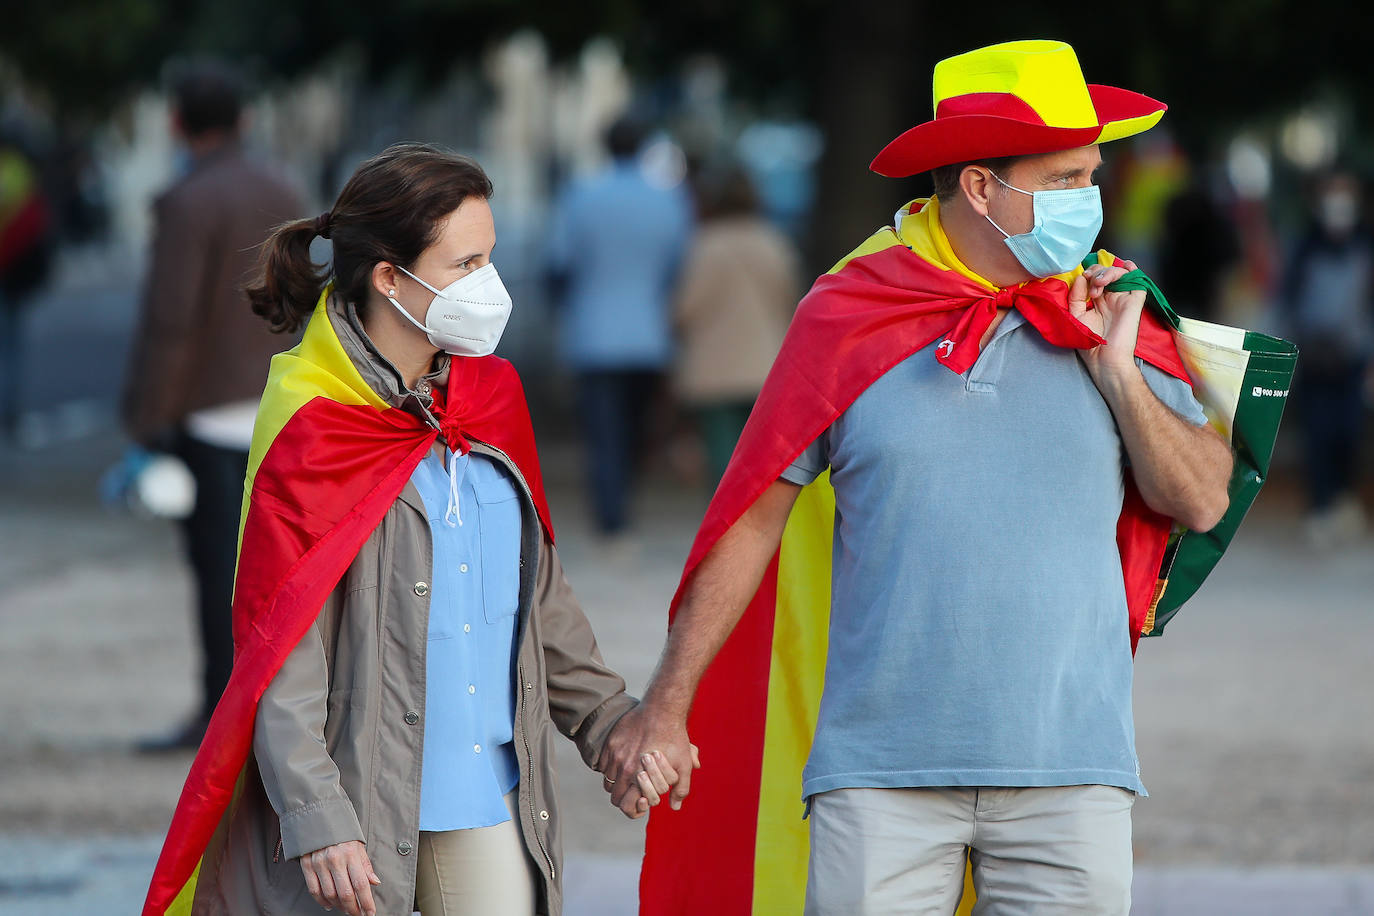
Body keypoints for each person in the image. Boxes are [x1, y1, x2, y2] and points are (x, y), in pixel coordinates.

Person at [604, 40, 1235, 914]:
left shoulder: (1111, 304)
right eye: (1062, 179)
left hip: (1072, 774)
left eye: (1090, 175)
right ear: (981, 187)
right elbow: (751, 517)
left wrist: (1121, 376)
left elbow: (1202, 498)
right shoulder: (847, 313)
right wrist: (666, 705)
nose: (1088, 201)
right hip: (878, 783)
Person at [141, 144, 690, 916]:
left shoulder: (491, 400)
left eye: (490, 259)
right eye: (465, 265)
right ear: (390, 278)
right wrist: (316, 816)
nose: (489, 287)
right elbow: (278, 646)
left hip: (490, 796)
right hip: (358, 812)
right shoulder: (312, 424)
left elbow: (537, 598)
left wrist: (610, 726)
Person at [122, 59, 303, 749]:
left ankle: (219, 711)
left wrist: (147, 417)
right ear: (246, 120)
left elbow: (173, 320)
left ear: (176, 123)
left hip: (207, 409)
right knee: (274, 568)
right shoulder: (283, 186)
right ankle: (276, 708)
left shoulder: (185, 200)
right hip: (278, 403)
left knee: (214, 570)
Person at [549, 116, 692, 536]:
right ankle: (623, 500)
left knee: (602, 428)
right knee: (636, 426)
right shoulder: (668, 200)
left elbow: (559, 263)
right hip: (650, 333)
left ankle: (610, 509)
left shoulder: (581, 196)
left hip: (593, 333)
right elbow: (680, 265)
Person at [672, 165, 800, 488]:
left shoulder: (706, 245)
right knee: (762, 458)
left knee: (722, 457)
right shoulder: (774, 243)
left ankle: (723, 528)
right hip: (766, 365)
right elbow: (792, 300)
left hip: (716, 369)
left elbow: (686, 308)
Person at [1280, 170, 1372, 546]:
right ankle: (1320, 508)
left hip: (1355, 359)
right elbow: (1287, 302)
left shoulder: (1366, 246)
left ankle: (1343, 499)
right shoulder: (1304, 248)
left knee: (1349, 433)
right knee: (1317, 436)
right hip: (1315, 359)